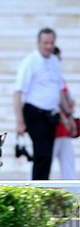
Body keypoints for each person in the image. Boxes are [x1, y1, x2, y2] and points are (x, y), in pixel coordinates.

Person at [13, 27, 74, 180]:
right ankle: (35, 193)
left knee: (47, 157)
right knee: (43, 153)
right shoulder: (30, 62)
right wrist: (20, 122)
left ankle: (42, 189)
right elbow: (17, 92)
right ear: (39, 43)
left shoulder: (55, 61)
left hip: (51, 116)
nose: (48, 46)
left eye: (51, 43)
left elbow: (60, 91)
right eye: (45, 43)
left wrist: (69, 116)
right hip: (34, 113)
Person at [52, 47, 77, 180]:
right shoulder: (47, 79)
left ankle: (74, 199)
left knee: (69, 167)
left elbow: (66, 102)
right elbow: (51, 102)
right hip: (52, 130)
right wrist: (66, 120)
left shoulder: (60, 79)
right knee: (43, 166)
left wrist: (71, 117)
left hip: (64, 131)